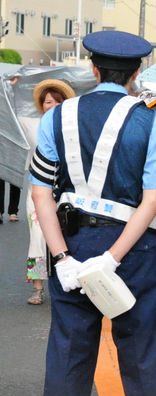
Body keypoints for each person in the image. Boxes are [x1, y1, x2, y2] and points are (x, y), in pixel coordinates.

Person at [29, 31, 156, 396]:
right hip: (132, 250)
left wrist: (62, 258)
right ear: (135, 74)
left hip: (73, 243)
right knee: (142, 350)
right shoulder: (151, 121)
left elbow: (40, 194)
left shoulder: (56, 118)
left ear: (93, 69)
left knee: (69, 350)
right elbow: (154, 200)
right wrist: (112, 258)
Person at [22, 80, 76, 306]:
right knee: (38, 237)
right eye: (46, 102)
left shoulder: (72, 126)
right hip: (38, 187)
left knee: (65, 233)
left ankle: (67, 281)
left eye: (55, 102)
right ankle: (37, 287)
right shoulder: (30, 124)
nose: (50, 106)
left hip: (65, 187)